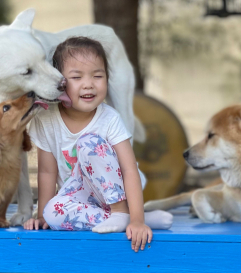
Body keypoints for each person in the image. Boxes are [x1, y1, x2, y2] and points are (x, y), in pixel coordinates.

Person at [23, 37, 173, 251]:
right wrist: (40, 217)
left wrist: (137, 222)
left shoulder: (109, 118)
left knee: (88, 143)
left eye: (98, 76)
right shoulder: (46, 120)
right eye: (76, 77)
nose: (88, 84)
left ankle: (126, 213)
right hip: (83, 199)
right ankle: (123, 218)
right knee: (52, 213)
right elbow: (47, 172)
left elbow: (129, 169)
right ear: (60, 82)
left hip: (118, 190)